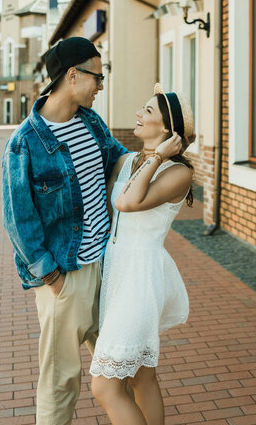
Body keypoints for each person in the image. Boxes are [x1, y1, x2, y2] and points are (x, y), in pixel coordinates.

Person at [2, 37, 128, 425]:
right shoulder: (24, 143)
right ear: (72, 76)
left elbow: (117, 159)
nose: (101, 85)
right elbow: (18, 218)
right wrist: (51, 276)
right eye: (98, 76)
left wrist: (158, 160)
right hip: (65, 276)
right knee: (60, 383)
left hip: (105, 267)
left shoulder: (90, 121)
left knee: (118, 367)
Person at [90, 83, 194, 425]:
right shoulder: (125, 160)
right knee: (141, 376)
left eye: (148, 111)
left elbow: (126, 203)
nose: (138, 113)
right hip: (115, 271)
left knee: (104, 388)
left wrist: (159, 156)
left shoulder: (178, 172)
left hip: (140, 276)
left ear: (166, 129)